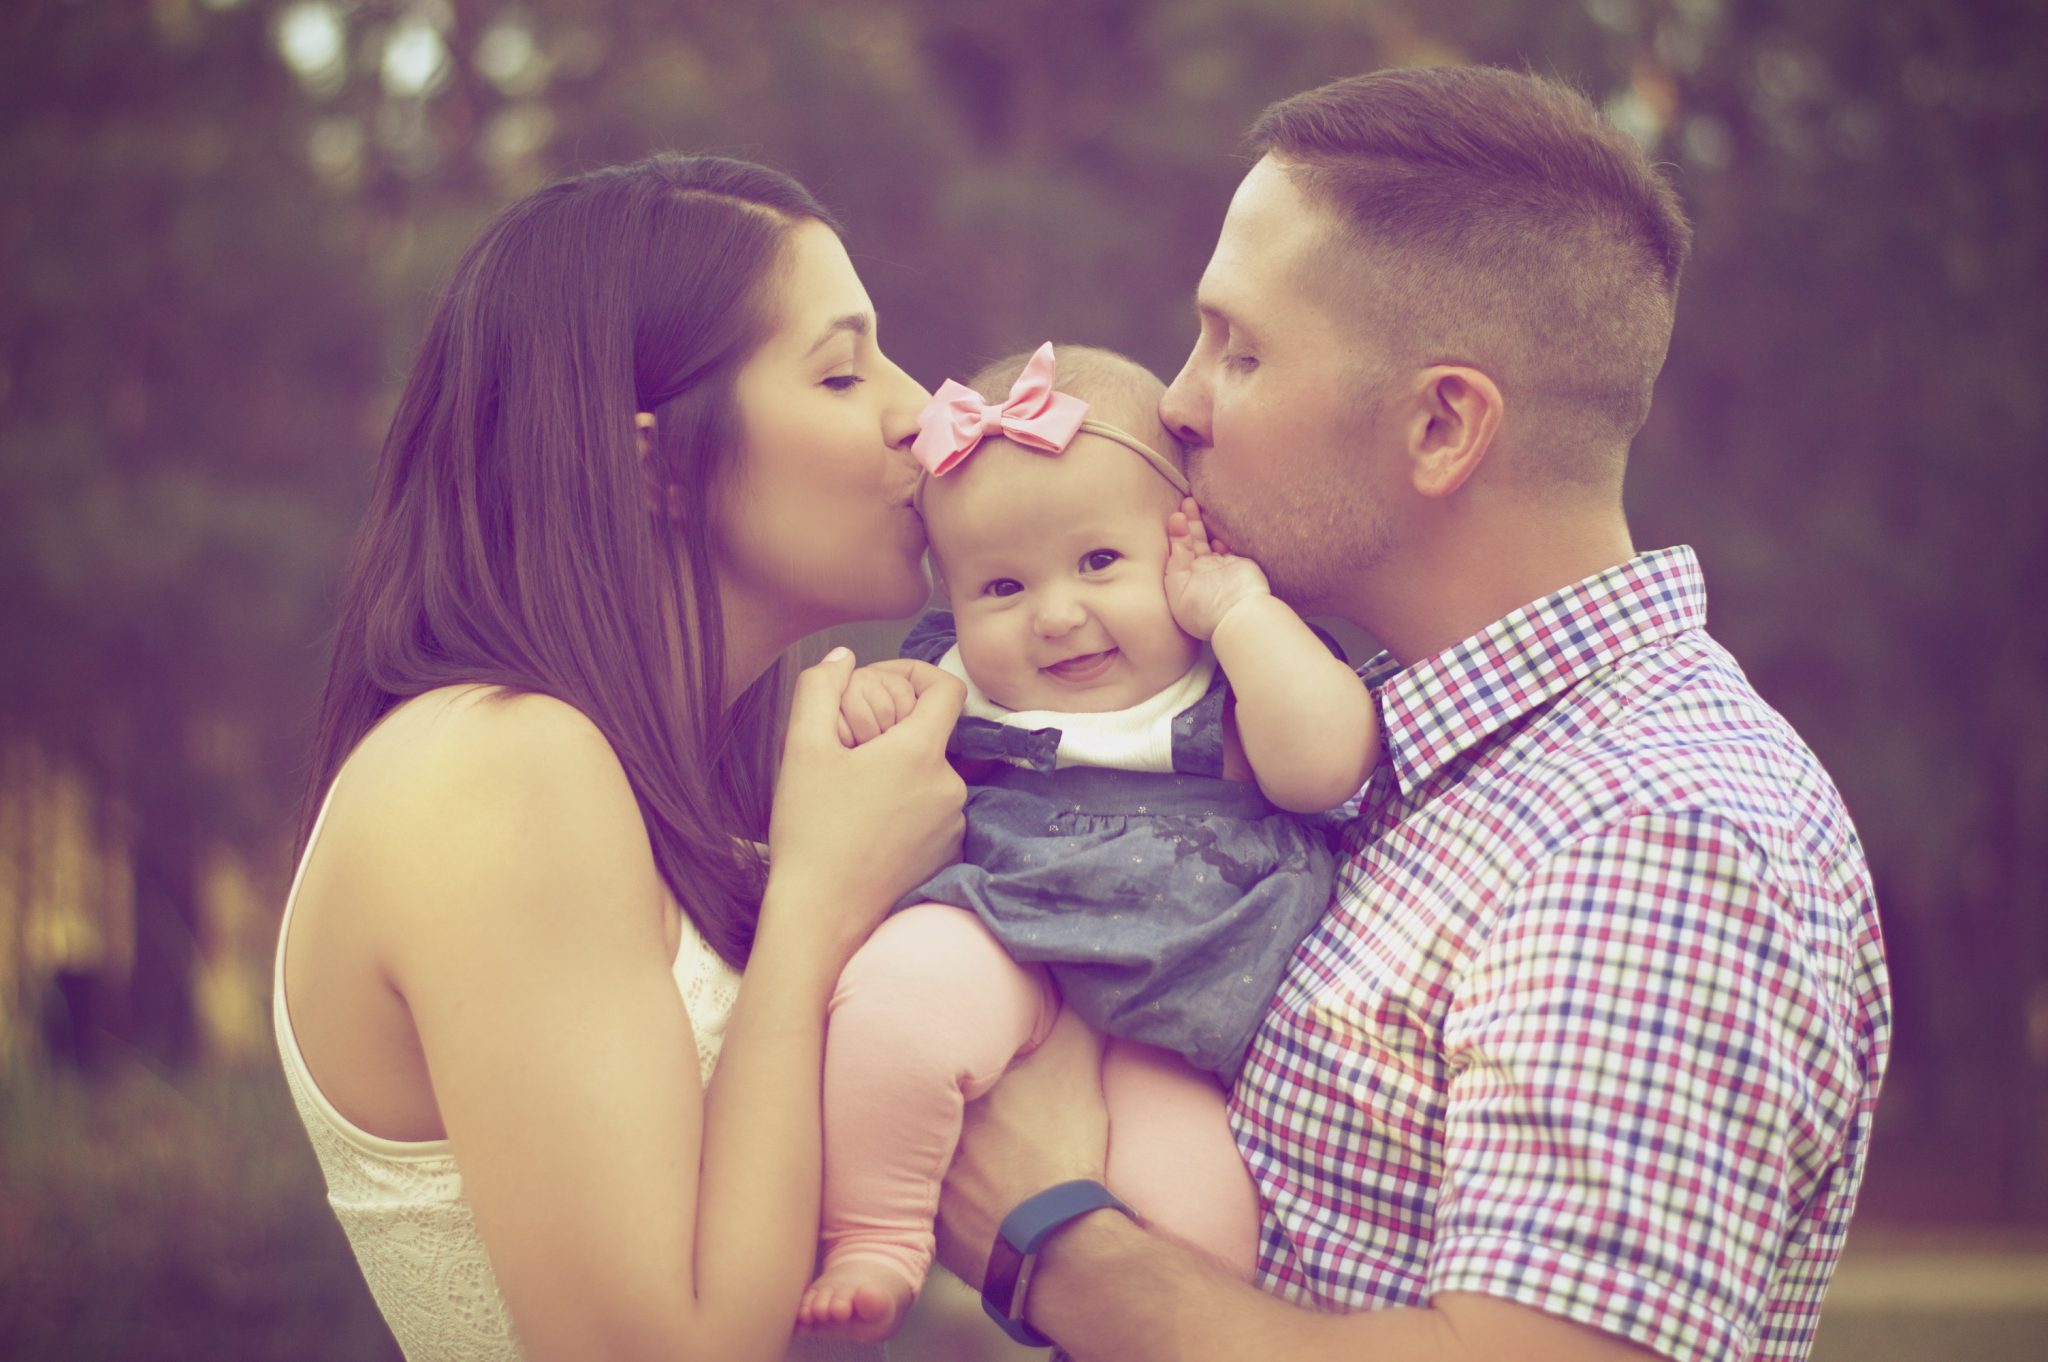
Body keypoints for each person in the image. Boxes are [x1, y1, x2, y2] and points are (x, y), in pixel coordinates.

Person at [935, 65, 1893, 1362]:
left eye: (1241, 348)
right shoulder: (1370, 742)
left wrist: (1054, 1240)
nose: (1178, 402)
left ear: (1442, 423)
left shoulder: (1655, 828)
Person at [272, 154, 968, 1362]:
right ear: (656, 463)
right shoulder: (498, 768)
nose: (919, 408)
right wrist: (815, 900)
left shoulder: (674, 788)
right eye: (843, 370)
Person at [795, 343, 1378, 1342]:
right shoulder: (954, 680)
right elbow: (882, 778)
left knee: (1198, 1231)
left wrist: (1237, 611)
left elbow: (1326, 766)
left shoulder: (1234, 663)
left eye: (1099, 562)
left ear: (1187, 540)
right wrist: (875, 705)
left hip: (1182, 1016)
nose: (1057, 616)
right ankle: (878, 1232)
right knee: (892, 1010)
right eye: (1000, 589)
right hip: (1006, 934)